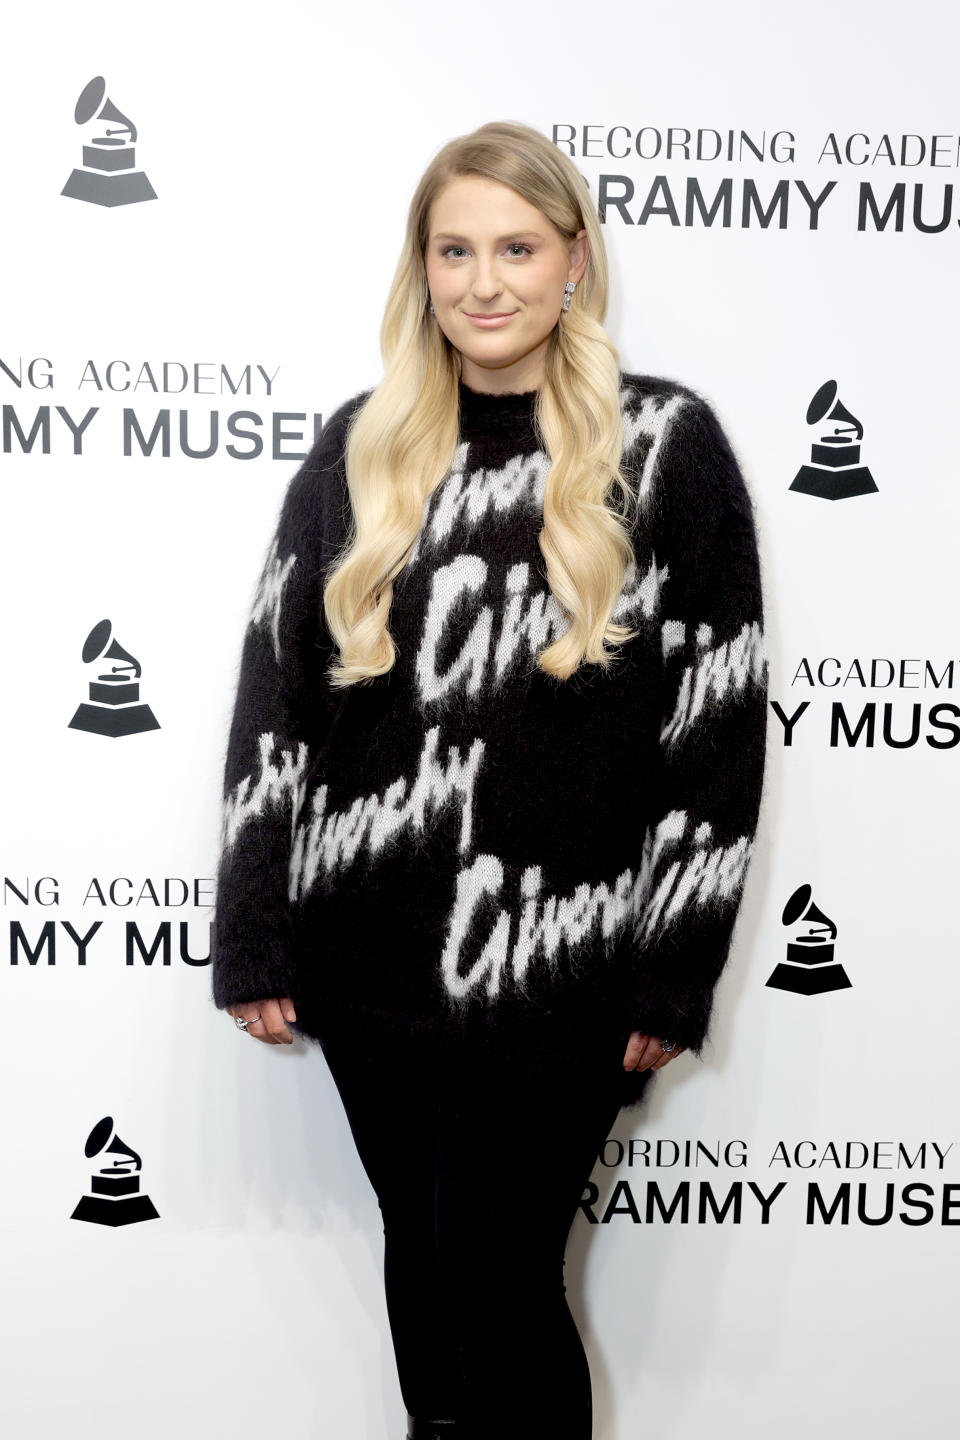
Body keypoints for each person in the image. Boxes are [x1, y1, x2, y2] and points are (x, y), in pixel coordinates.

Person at [210, 120, 767, 1440]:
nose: (485, 282)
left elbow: (717, 723)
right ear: (422, 269)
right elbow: (274, 698)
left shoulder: (665, 447)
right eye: (454, 251)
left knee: (501, 1286)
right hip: (369, 952)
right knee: (427, 1279)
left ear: (575, 260)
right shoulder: (361, 446)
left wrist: (670, 966)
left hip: (559, 969)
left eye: (516, 248)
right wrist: (252, 927)